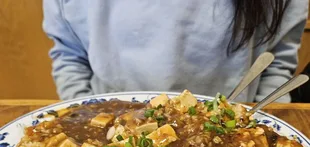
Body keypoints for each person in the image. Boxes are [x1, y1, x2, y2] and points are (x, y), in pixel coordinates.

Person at [43, 0, 308, 102]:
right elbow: (69, 55)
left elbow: (276, 61)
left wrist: (258, 122)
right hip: (107, 120)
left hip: (232, 124)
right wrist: (83, 116)